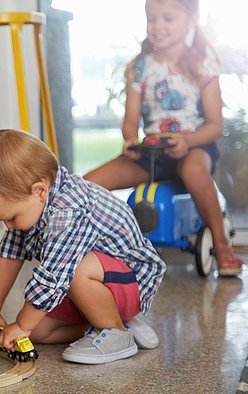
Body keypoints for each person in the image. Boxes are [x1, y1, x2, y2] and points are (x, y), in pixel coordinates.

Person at [0, 129, 166, 364]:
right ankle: (103, 322)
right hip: (91, 285)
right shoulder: (34, 203)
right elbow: (9, 257)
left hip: (131, 283)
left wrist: (21, 325)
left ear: (39, 191)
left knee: (76, 269)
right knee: (39, 332)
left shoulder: (67, 211)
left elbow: (53, 277)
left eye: (11, 218)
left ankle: (116, 332)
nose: (8, 226)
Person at [84, 0, 244, 276]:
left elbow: (215, 125)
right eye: (152, 18)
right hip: (152, 151)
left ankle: (222, 246)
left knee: (194, 171)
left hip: (193, 146)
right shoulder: (140, 68)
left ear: (191, 19)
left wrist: (188, 142)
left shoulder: (203, 64)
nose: (157, 26)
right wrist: (130, 140)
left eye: (167, 19)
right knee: (89, 184)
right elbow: (131, 122)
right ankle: (103, 247)